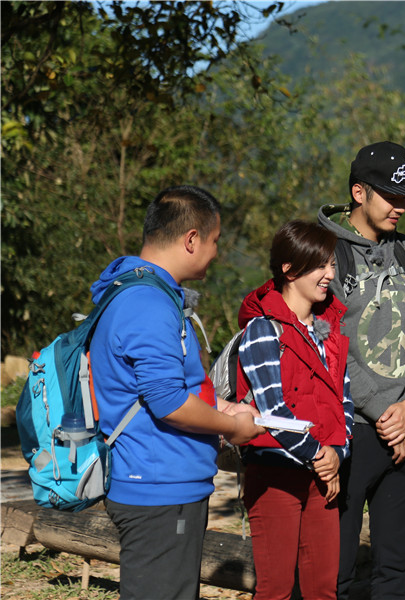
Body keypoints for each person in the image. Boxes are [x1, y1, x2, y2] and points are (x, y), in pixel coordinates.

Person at [90, 185, 265, 600]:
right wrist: (232, 427)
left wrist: (221, 406)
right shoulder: (149, 303)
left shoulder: (138, 292)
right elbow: (167, 401)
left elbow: (161, 386)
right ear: (191, 239)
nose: (216, 252)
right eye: (215, 240)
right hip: (158, 487)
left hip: (161, 483)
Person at [317, 141, 405, 599]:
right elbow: (327, 344)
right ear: (359, 192)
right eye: (391, 195)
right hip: (348, 431)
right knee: (337, 572)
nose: (400, 207)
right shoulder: (326, 253)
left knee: (395, 572)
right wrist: (389, 414)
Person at [234, 220, 354, 600]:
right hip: (274, 473)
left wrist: (338, 453)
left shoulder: (328, 330)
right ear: (289, 269)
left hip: (322, 474)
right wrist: (320, 454)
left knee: (323, 589)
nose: (329, 274)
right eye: (319, 265)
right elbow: (272, 409)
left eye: (331, 264)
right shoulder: (262, 330)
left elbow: (343, 401)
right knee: (276, 591)